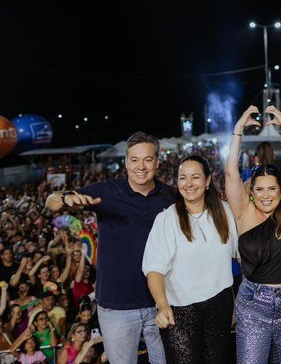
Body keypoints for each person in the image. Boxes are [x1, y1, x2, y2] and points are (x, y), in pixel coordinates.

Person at [46, 132, 175, 364]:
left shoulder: (170, 197)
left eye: (147, 159)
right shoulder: (107, 191)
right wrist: (66, 199)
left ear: (157, 161)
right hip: (117, 307)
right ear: (126, 162)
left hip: (162, 302)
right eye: (134, 160)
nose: (141, 166)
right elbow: (51, 202)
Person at [225, 105, 281, 364]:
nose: (265, 195)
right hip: (253, 303)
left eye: (271, 188)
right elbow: (230, 174)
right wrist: (238, 130)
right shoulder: (243, 212)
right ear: (251, 191)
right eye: (259, 189)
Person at [143, 154, 238, 363]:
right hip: (180, 313)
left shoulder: (225, 213)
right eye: (182, 178)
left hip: (219, 307)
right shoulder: (167, 219)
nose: (188, 184)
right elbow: (154, 269)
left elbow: (243, 255)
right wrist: (162, 305)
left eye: (195, 177)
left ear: (207, 181)